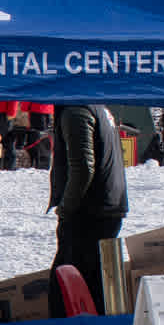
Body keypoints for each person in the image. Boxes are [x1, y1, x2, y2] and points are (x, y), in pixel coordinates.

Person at [50, 102, 127, 313]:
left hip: (89, 212)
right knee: (94, 284)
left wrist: (65, 208)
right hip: (106, 205)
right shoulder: (97, 106)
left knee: (68, 287)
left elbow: (83, 168)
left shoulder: (76, 110)